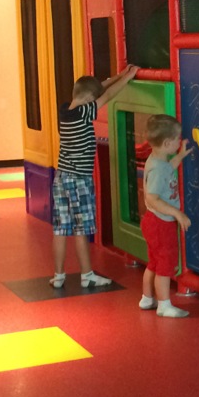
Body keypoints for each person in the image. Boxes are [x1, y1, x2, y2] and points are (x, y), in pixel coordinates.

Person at [50, 65, 138, 288]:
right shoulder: (84, 112)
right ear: (89, 99)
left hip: (61, 178)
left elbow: (98, 89)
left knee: (60, 229)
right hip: (79, 180)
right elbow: (106, 95)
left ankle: (58, 276)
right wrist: (127, 78)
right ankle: (87, 275)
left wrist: (117, 76)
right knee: (81, 230)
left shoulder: (65, 110)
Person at [139, 113, 192, 318]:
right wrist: (177, 213)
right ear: (168, 143)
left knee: (153, 262)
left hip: (152, 221)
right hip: (161, 223)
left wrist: (180, 155)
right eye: (177, 139)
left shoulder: (157, 160)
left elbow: (168, 169)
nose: (179, 141)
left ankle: (147, 298)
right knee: (165, 265)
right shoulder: (158, 169)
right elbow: (152, 198)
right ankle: (164, 305)